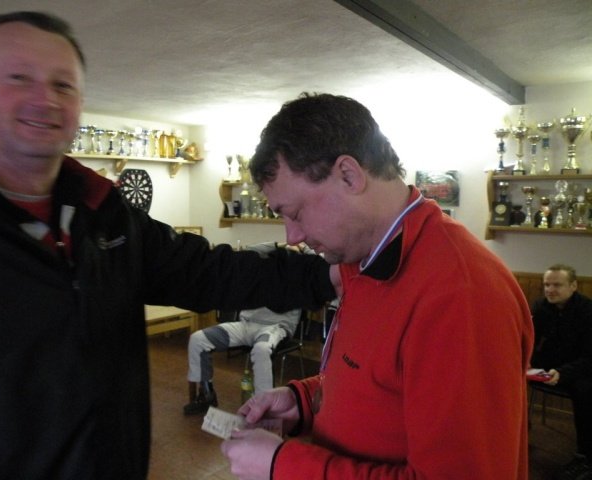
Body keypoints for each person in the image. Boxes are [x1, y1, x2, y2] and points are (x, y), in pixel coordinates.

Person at [0, 12, 336, 479]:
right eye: (18, 78)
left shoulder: (104, 213)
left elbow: (208, 271)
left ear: (80, 103)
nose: (44, 99)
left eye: (63, 85)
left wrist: (330, 274)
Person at [220, 92, 534, 480]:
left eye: (296, 212)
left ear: (349, 175)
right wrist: (306, 401)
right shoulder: (363, 260)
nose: (292, 236)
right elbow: (380, 383)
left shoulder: (460, 292)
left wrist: (282, 465)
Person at [184, 242, 303, 416]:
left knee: (261, 349)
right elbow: (249, 249)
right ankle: (206, 395)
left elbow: (323, 260)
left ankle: (264, 406)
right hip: (246, 325)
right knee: (198, 339)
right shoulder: (261, 273)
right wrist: (278, 244)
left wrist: (302, 248)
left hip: (274, 329)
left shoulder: (300, 278)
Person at [530, 264, 592, 480]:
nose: (550, 290)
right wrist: (525, 362)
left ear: (573, 286)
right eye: (547, 284)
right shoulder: (541, 306)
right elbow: (530, 339)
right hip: (551, 365)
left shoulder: (588, 311)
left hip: (581, 368)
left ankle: (585, 456)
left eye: (557, 285)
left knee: (585, 391)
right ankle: (515, 433)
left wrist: (563, 372)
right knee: (512, 375)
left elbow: (590, 357)